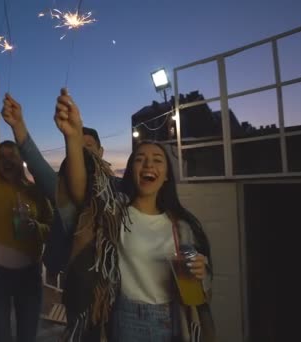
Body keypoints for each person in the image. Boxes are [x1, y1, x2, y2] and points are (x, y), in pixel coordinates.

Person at [53, 90, 215, 341]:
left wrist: (203, 273)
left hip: (171, 321)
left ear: (167, 175)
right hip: (124, 320)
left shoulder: (183, 226)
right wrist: (73, 138)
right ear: (131, 170)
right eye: (140, 159)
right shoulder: (115, 214)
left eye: (157, 160)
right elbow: (82, 193)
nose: (149, 165)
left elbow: (203, 292)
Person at [0, 93, 115, 277]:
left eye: (89, 146)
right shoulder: (63, 188)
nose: (83, 151)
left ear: (101, 152)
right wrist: (18, 125)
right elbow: (37, 165)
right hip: (71, 275)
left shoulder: (116, 189)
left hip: (107, 279)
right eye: (77, 146)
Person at [0, 67, 53, 342]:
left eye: (12, 154)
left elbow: (52, 224)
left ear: (22, 160)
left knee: (26, 336)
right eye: (1, 156)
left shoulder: (37, 191)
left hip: (30, 274)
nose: (6, 159)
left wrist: (37, 228)